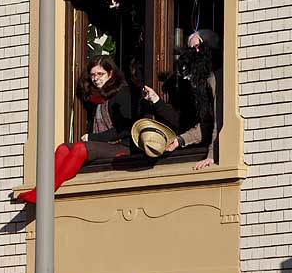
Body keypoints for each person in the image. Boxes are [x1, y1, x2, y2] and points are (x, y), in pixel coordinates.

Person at [16, 55, 135, 203]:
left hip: (122, 146)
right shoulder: (97, 97)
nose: (96, 78)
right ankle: (40, 189)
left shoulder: (122, 94)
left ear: (110, 74)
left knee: (79, 148)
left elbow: (126, 128)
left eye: (100, 74)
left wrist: (93, 138)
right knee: (63, 148)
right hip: (103, 146)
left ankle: (44, 193)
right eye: (92, 75)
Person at [141, 29, 221, 171]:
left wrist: (212, 155)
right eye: (190, 48)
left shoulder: (216, 78)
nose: (193, 53)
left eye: (197, 47)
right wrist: (180, 140)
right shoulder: (198, 84)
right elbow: (205, 125)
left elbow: (218, 120)